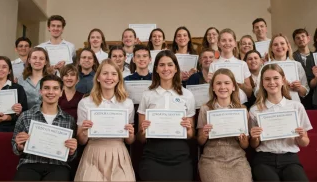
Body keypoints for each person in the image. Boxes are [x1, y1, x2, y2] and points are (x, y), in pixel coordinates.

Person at [137, 50, 196, 181]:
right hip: (153, 155)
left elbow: (191, 135)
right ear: (156, 69)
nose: (166, 68)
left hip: (180, 155)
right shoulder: (148, 94)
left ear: (176, 69)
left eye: (170, 65)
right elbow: (140, 138)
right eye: (161, 65)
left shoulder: (187, 95)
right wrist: (143, 130)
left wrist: (188, 128)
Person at [75, 59, 136, 181]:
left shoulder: (127, 104)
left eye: (114, 74)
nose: (109, 77)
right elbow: (81, 141)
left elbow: (130, 141)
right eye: (105, 73)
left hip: (119, 153)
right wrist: (83, 132)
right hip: (93, 153)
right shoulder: (85, 103)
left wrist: (131, 133)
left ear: (119, 78)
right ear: (98, 77)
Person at [249, 64, 312, 181]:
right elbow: (254, 145)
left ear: (283, 80)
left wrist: (302, 136)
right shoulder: (254, 109)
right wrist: (254, 138)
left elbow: (305, 143)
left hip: (290, 159)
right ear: (262, 83)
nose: (272, 82)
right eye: (267, 79)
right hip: (264, 160)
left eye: (276, 78)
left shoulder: (296, 106)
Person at [12, 75, 78, 181]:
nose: (51, 92)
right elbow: (15, 148)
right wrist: (19, 145)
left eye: (55, 88)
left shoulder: (69, 120)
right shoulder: (26, 116)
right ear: (40, 91)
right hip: (30, 163)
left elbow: (71, 157)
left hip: (58, 166)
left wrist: (72, 151)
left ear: (61, 92)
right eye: (46, 88)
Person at [197, 68, 252, 182]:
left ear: (233, 87)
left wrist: (242, 139)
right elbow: (200, 141)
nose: (222, 87)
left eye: (227, 83)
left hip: (237, 159)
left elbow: (245, 145)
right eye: (218, 83)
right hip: (211, 160)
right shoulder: (205, 108)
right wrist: (204, 134)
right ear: (213, 87)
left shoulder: (242, 110)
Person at [256, 34, 309, 103]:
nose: (279, 46)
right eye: (275, 44)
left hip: (293, 104)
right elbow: (257, 91)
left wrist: (298, 88)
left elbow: (305, 92)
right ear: (271, 48)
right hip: (271, 105)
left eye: (282, 43)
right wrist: (276, 85)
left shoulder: (297, 65)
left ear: (288, 46)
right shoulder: (265, 66)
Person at [209, 28, 253, 105]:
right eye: (223, 40)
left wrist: (236, 84)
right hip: (219, 104)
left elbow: (249, 92)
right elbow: (211, 91)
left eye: (230, 40)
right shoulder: (214, 65)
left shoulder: (242, 64)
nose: (227, 43)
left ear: (235, 43)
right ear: (218, 44)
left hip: (240, 102)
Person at [0, 56, 28, 132]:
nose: (0, 69)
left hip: (10, 131)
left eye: (4, 67)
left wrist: (10, 116)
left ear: (9, 71)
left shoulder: (19, 89)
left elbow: (25, 114)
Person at [292, 28, 314, 109]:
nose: (301, 39)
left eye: (303, 36)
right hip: (298, 93)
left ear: (308, 38)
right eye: (297, 38)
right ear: (294, 41)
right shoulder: (291, 58)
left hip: (315, 94)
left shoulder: (315, 56)